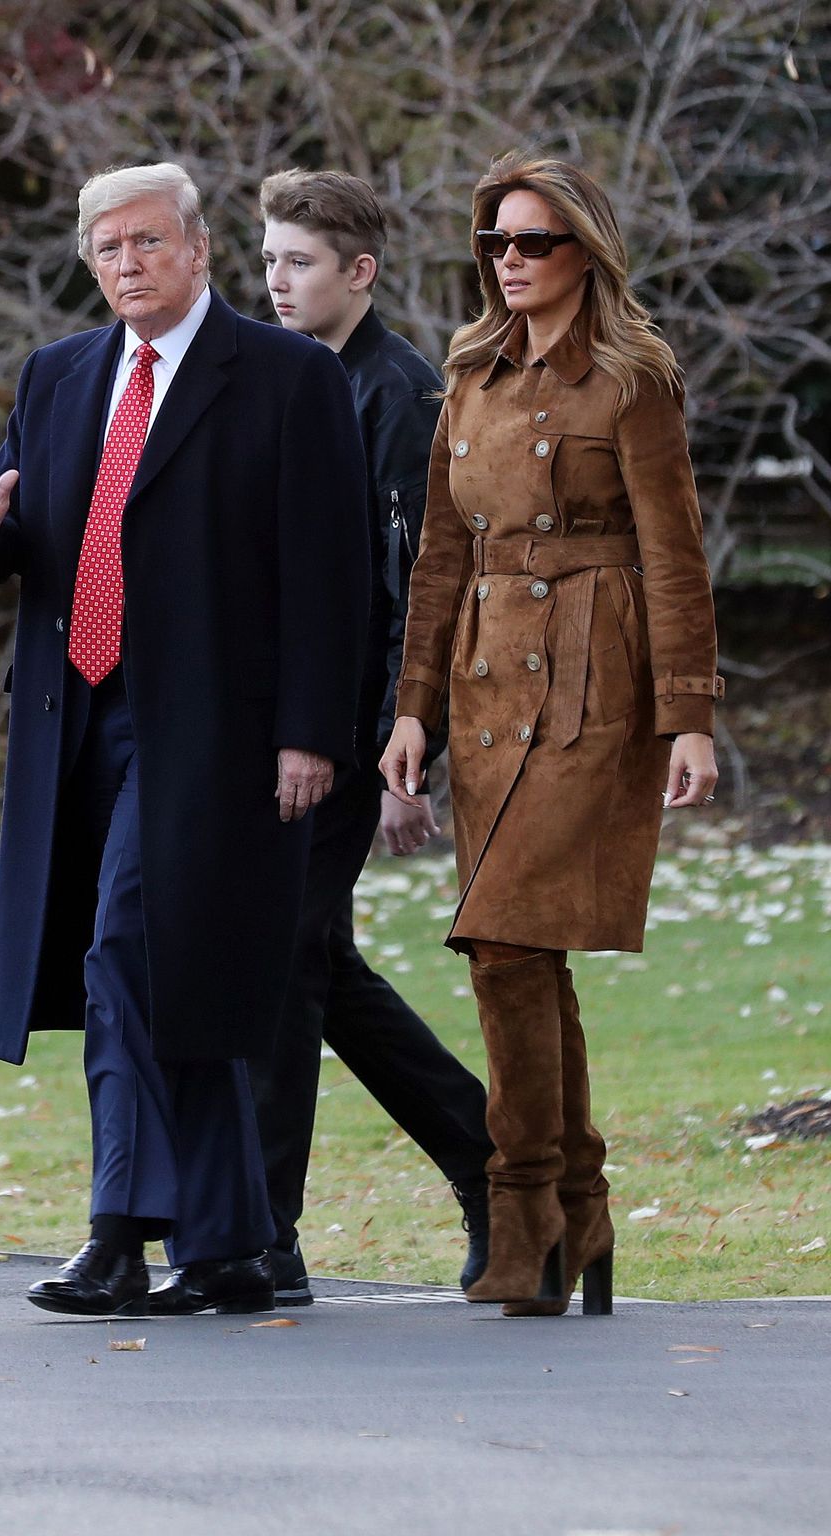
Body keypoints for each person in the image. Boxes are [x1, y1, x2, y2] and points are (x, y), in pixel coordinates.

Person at [0, 162, 369, 1318]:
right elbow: (42, 544)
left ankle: (117, 1233)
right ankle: (226, 1246)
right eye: (108, 248)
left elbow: (332, 573)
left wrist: (312, 733)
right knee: (170, 974)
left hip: (219, 734)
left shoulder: (286, 378)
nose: (128, 264)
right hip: (77, 724)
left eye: (148, 242)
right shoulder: (60, 375)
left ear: (200, 247)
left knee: (125, 952)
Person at [380, 155, 722, 1317]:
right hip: (480, 688)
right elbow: (438, 557)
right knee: (511, 949)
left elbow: (675, 555)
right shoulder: (466, 376)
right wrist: (411, 708)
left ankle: (525, 1211)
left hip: (594, 687)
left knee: (510, 943)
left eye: (531, 241)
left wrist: (689, 717)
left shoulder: (632, 381)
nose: (509, 260)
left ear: (585, 250)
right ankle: (577, 1207)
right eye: (493, 244)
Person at [252, 169, 493, 1305]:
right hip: (280, 727)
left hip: (352, 736)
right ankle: (492, 1161)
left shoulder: (395, 396)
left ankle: (268, 1232)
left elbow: (424, 592)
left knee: (295, 964)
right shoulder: (286, 383)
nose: (276, 282)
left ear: (361, 272)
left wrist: (410, 750)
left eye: (298, 262)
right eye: (266, 260)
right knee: (312, 964)